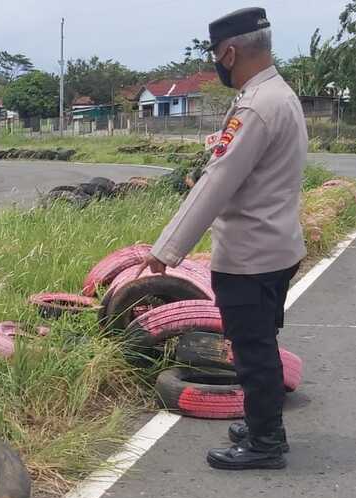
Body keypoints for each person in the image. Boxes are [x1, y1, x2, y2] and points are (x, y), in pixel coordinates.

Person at [138, 7, 308, 471]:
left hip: (250, 254)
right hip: (278, 245)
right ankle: (261, 423)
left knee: (251, 349)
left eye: (217, 55)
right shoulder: (278, 93)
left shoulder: (256, 105)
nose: (217, 63)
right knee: (261, 342)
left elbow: (218, 181)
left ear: (230, 52)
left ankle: (266, 443)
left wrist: (165, 251)